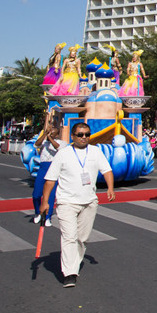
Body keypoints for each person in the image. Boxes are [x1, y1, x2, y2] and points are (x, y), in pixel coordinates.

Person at [40, 122, 115, 287]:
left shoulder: (95, 151)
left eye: (87, 134)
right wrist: (45, 202)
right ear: (72, 136)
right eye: (80, 135)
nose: (84, 137)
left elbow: (107, 170)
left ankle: (75, 261)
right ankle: (70, 273)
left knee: (82, 239)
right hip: (67, 202)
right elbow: (50, 180)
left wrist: (110, 188)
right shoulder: (63, 154)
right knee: (69, 237)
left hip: (89, 202)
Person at [32, 122, 61, 225]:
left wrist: (50, 138)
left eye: (52, 133)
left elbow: (58, 147)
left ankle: (47, 217)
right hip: (43, 168)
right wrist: (45, 134)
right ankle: (38, 213)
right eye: (49, 133)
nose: (50, 135)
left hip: (53, 169)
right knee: (36, 194)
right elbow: (36, 144)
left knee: (51, 195)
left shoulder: (62, 143)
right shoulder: (44, 142)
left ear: (57, 135)